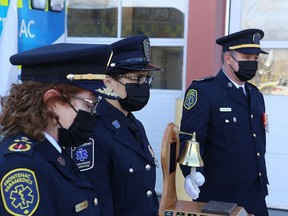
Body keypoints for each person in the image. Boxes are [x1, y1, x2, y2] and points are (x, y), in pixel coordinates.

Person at [0, 43, 117, 215]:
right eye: (89, 104)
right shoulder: (23, 165)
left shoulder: (53, 152)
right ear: (52, 102)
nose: (94, 113)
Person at [67, 35, 162, 216]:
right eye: (136, 79)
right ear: (109, 82)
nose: (142, 85)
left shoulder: (135, 125)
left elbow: (146, 195)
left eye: (145, 79)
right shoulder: (93, 131)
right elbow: (97, 204)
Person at [179, 29, 269, 216]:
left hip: (255, 193)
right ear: (228, 58)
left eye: (255, 59)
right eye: (246, 57)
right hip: (220, 196)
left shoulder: (256, 95)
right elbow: (190, 138)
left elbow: (258, 141)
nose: (252, 63)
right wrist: (191, 172)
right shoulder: (205, 91)